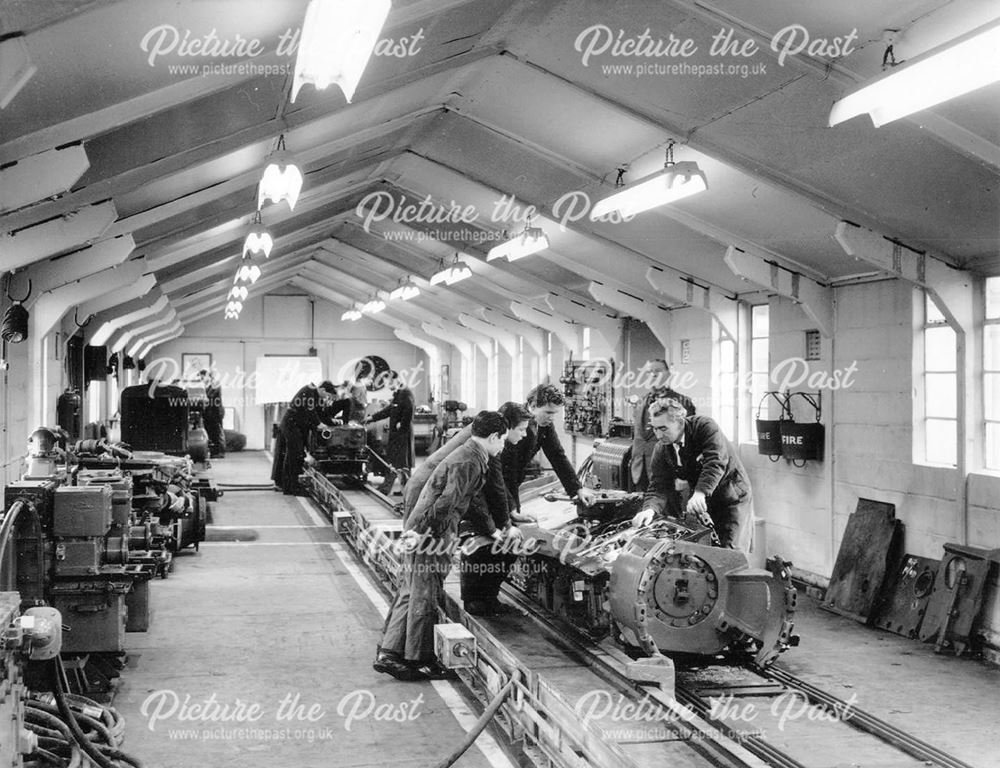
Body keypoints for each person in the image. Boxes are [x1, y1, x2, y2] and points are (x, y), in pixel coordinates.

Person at [374, 411, 508, 681]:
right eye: (503, 440)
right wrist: (426, 537)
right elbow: (446, 504)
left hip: (425, 526)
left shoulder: (470, 453)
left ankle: (390, 653)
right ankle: (419, 660)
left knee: (413, 590)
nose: (504, 446)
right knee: (426, 593)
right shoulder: (470, 460)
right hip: (431, 530)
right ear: (493, 437)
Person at [631, 399, 753, 552]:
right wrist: (649, 509)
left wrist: (700, 492)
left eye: (663, 428)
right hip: (704, 499)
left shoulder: (705, 427)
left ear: (680, 422)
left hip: (732, 496)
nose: (658, 435)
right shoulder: (662, 449)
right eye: (654, 429)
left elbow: (715, 461)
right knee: (707, 552)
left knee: (732, 553)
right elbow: (659, 485)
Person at [501, 384, 597, 514]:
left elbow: (557, 455)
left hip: (511, 480)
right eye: (548, 412)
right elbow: (506, 474)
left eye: (554, 414)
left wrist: (577, 489)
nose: (551, 418)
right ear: (533, 406)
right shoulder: (514, 423)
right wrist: (513, 511)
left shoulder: (544, 424)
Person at [630, 359, 696, 492]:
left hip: (668, 471)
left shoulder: (682, 402)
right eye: (649, 372)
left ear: (668, 374)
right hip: (639, 469)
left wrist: (685, 474)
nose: (653, 375)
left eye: (658, 371)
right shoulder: (641, 402)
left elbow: (689, 441)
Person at [270, 380, 337, 495]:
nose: (327, 399)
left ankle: (289, 484)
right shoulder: (309, 392)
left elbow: (320, 414)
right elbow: (310, 412)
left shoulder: (315, 396)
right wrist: (319, 424)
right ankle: (292, 487)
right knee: (294, 455)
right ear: (323, 390)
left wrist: (332, 422)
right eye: (327, 396)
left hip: (296, 426)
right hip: (291, 425)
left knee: (296, 455)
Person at [366, 371, 414, 496]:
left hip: (402, 434)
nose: (388, 386)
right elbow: (389, 410)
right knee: (398, 462)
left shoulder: (405, 393)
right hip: (396, 434)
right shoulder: (398, 394)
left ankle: (388, 489)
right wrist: (372, 418)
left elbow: (409, 410)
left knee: (399, 463)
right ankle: (406, 490)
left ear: (396, 380)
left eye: (389, 383)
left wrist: (402, 425)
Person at [199, 369, 226, 458]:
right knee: (211, 432)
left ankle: (220, 452)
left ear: (208, 377)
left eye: (203, 377)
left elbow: (209, 397)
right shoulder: (208, 386)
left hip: (216, 412)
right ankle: (215, 452)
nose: (202, 379)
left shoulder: (215, 384)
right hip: (210, 413)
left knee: (217, 432)